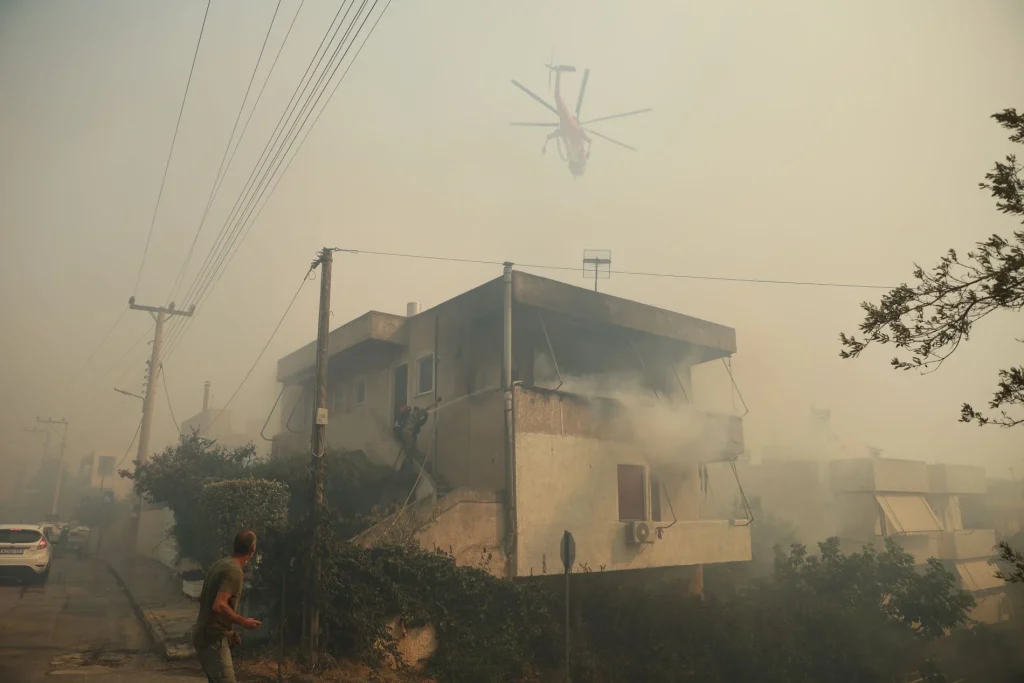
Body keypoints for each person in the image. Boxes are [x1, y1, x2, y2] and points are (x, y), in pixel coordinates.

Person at [193, 530, 262, 683]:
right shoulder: (234, 571)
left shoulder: (222, 563)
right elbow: (219, 605)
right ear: (252, 549)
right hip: (213, 639)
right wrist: (243, 621)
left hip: (205, 635)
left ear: (234, 545)